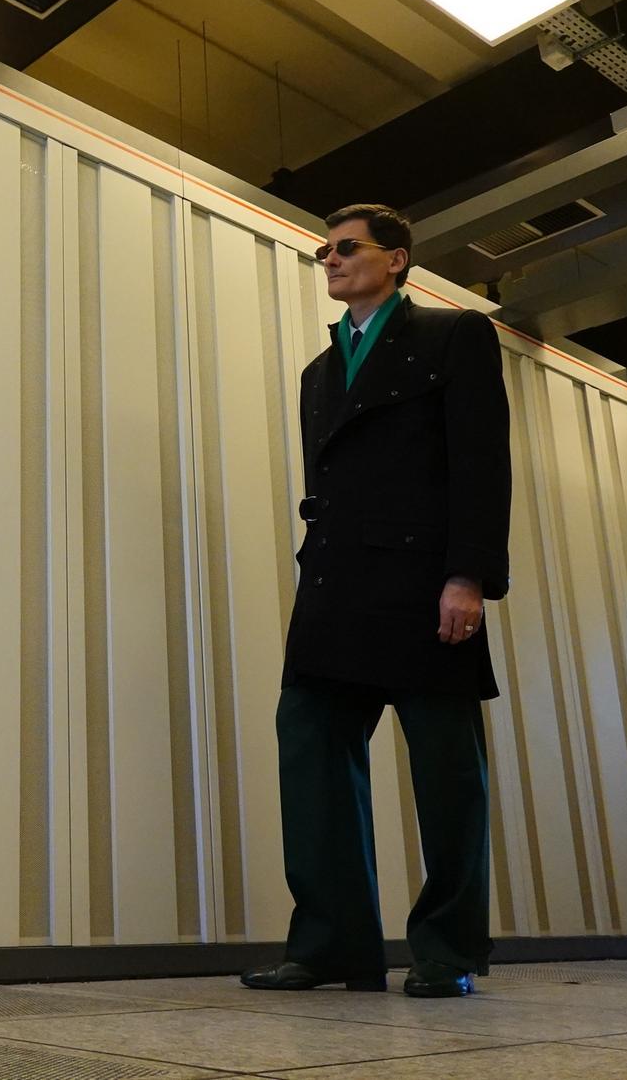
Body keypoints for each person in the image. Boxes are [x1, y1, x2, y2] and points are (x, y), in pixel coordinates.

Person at [241, 203, 511, 999]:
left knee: (446, 774)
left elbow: (479, 462)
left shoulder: (453, 335)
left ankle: (446, 950)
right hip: (333, 587)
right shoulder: (318, 373)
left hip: (423, 584)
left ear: (395, 259)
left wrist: (467, 576)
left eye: (345, 247)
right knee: (309, 751)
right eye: (322, 251)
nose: (328, 259)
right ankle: (332, 946)